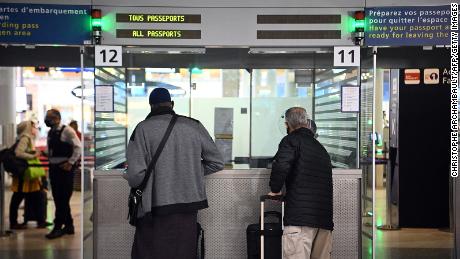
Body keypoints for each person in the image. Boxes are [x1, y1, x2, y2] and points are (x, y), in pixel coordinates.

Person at [125, 88, 224, 259]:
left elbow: (136, 176)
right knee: (183, 251)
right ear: (172, 104)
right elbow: (217, 162)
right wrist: (191, 171)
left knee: (152, 251)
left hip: (155, 207)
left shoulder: (142, 129)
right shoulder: (194, 126)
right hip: (189, 205)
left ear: (151, 106)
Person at [269, 107, 333, 259]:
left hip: (300, 220)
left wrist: (275, 189)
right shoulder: (320, 148)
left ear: (287, 125)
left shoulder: (291, 140)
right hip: (323, 222)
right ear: (306, 121)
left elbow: (281, 165)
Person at [43, 109, 81, 239]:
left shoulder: (67, 130)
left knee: (62, 199)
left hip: (64, 170)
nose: (47, 120)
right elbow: (52, 150)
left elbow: (78, 147)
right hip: (54, 169)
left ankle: (58, 227)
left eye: (49, 118)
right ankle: (69, 226)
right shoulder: (51, 132)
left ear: (57, 118)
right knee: (59, 199)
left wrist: (70, 162)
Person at [9, 121, 48, 229]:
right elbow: (18, 153)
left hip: (28, 174)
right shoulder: (25, 138)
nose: (35, 128)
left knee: (35, 196)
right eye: (33, 126)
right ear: (27, 128)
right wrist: (34, 155)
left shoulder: (27, 138)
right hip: (24, 174)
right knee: (18, 197)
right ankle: (14, 222)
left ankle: (40, 221)